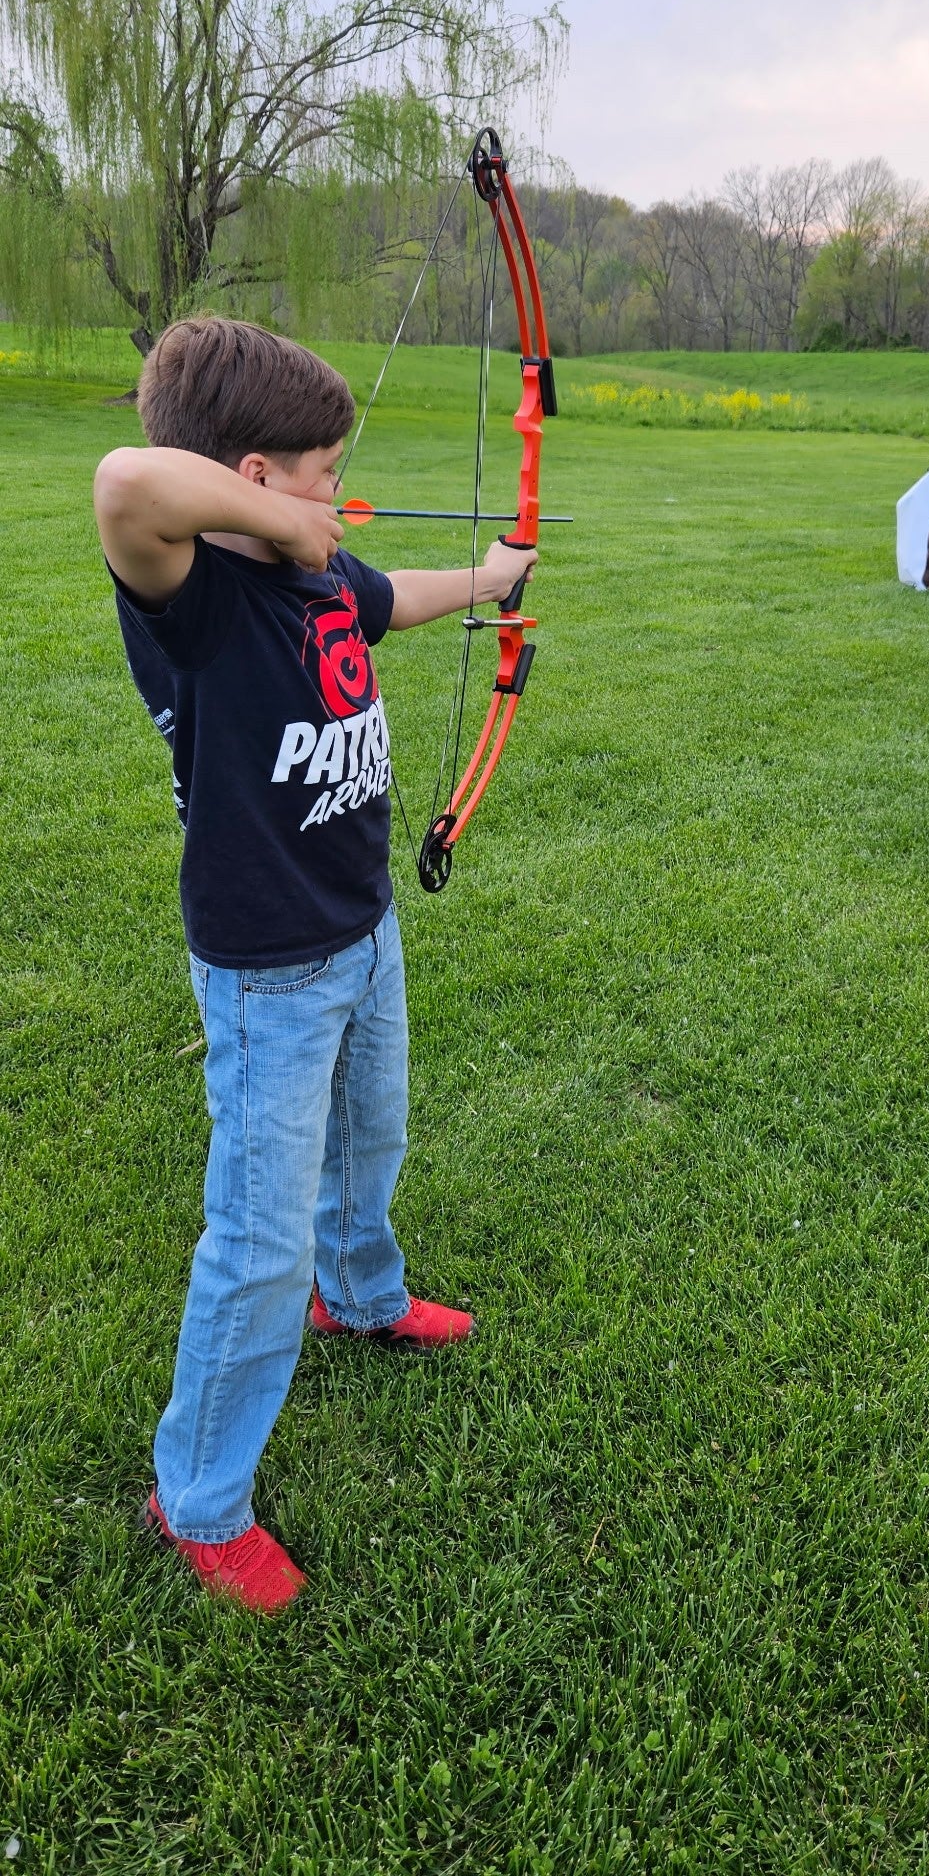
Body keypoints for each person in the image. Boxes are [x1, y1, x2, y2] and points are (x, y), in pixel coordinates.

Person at [93, 315, 536, 1613]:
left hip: (360, 928)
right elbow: (127, 481)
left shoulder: (326, 583)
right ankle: (200, 1498)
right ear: (250, 474)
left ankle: (364, 1296)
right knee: (256, 1241)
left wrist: (493, 576)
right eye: (321, 472)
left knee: (372, 1141)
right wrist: (278, 527)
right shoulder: (191, 600)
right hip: (267, 972)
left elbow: (393, 601)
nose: (337, 495)